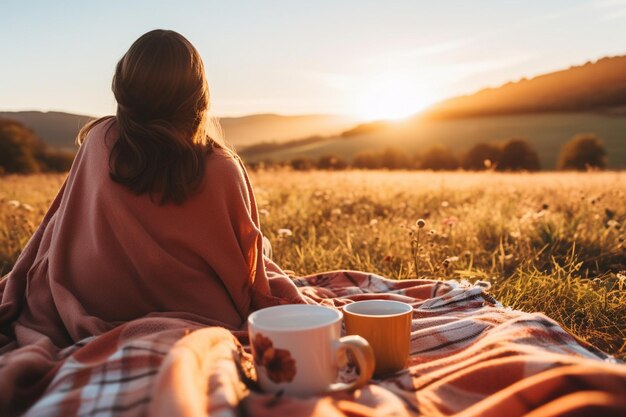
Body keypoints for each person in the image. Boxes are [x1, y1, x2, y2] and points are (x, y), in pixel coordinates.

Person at [0, 29, 308, 353]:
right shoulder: (222, 167)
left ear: (123, 87)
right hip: (203, 314)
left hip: (96, 301)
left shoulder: (99, 140)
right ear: (198, 95)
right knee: (264, 250)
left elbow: (63, 223)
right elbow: (245, 270)